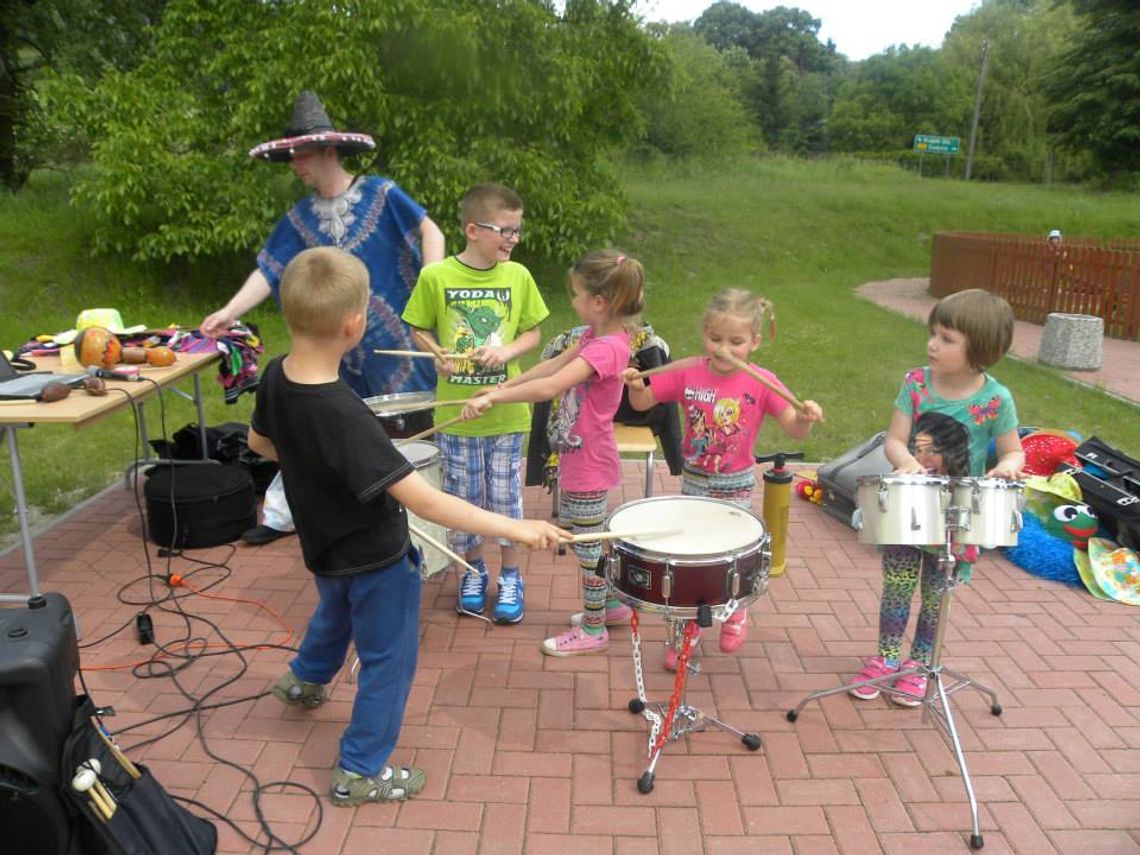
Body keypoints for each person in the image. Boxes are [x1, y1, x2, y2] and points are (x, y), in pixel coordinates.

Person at [247, 246, 568, 806]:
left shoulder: (276, 376)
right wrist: (517, 530)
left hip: (323, 542)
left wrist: (314, 465)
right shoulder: (347, 416)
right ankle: (360, 769)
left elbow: (259, 443)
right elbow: (428, 503)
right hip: (377, 557)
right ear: (354, 325)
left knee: (334, 609)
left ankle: (304, 680)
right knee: (387, 660)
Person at [201, 90, 445, 546]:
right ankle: (298, 514)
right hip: (337, 351)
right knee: (331, 433)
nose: (295, 165)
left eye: (301, 155)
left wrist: (432, 289)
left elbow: (430, 230)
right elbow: (270, 269)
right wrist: (230, 311)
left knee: (409, 431)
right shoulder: (300, 218)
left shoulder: (381, 194)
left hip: (399, 353)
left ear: (329, 151)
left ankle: (422, 523)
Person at [622, 289, 823, 668]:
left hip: (736, 482)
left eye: (736, 341)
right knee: (692, 555)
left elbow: (794, 430)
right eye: (715, 339)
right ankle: (689, 629)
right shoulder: (686, 371)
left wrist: (806, 419)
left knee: (730, 551)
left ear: (754, 342)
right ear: (704, 334)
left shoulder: (763, 380)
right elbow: (643, 403)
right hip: (694, 481)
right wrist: (635, 387)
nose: (724, 349)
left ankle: (735, 610)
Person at [462, 250, 646, 656]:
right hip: (579, 456)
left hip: (590, 462)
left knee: (588, 547)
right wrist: (499, 389)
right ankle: (611, 608)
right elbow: (550, 367)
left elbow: (551, 388)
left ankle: (594, 629)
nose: (573, 299)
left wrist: (496, 399)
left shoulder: (608, 348)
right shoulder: (592, 335)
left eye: (577, 293)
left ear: (599, 301)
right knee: (588, 541)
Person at [849, 288, 1024, 706]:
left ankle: (920, 663)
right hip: (910, 509)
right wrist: (905, 459)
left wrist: (1008, 465)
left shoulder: (996, 399)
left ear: (981, 348)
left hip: (957, 519)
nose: (932, 343)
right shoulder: (915, 384)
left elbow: (1013, 448)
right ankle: (886, 657)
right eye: (933, 333)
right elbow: (893, 439)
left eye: (947, 338)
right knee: (897, 586)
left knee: (935, 596)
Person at [402, 184, 549, 624]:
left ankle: (509, 576)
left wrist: (506, 353)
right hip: (457, 415)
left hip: (506, 413)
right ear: (473, 229)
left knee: (504, 501)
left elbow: (533, 333)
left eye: (517, 231)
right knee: (462, 500)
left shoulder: (517, 276)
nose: (512, 239)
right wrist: (437, 354)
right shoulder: (437, 277)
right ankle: (472, 570)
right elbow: (418, 328)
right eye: (505, 230)